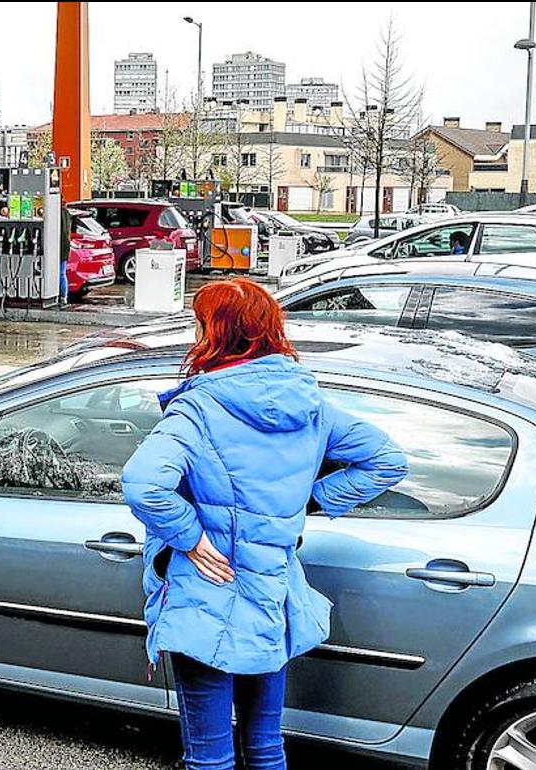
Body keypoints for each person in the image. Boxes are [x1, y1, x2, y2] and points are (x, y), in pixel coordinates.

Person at [121, 277, 408, 770]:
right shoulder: (311, 404)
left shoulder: (199, 408)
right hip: (273, 594)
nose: (194, 336)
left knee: (210, 757)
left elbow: (145, 483)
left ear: (216, 333)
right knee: (265, 745)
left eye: (199, 326)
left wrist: (188, 537)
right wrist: (308, 503)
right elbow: (386, 460)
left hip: (208, 594)